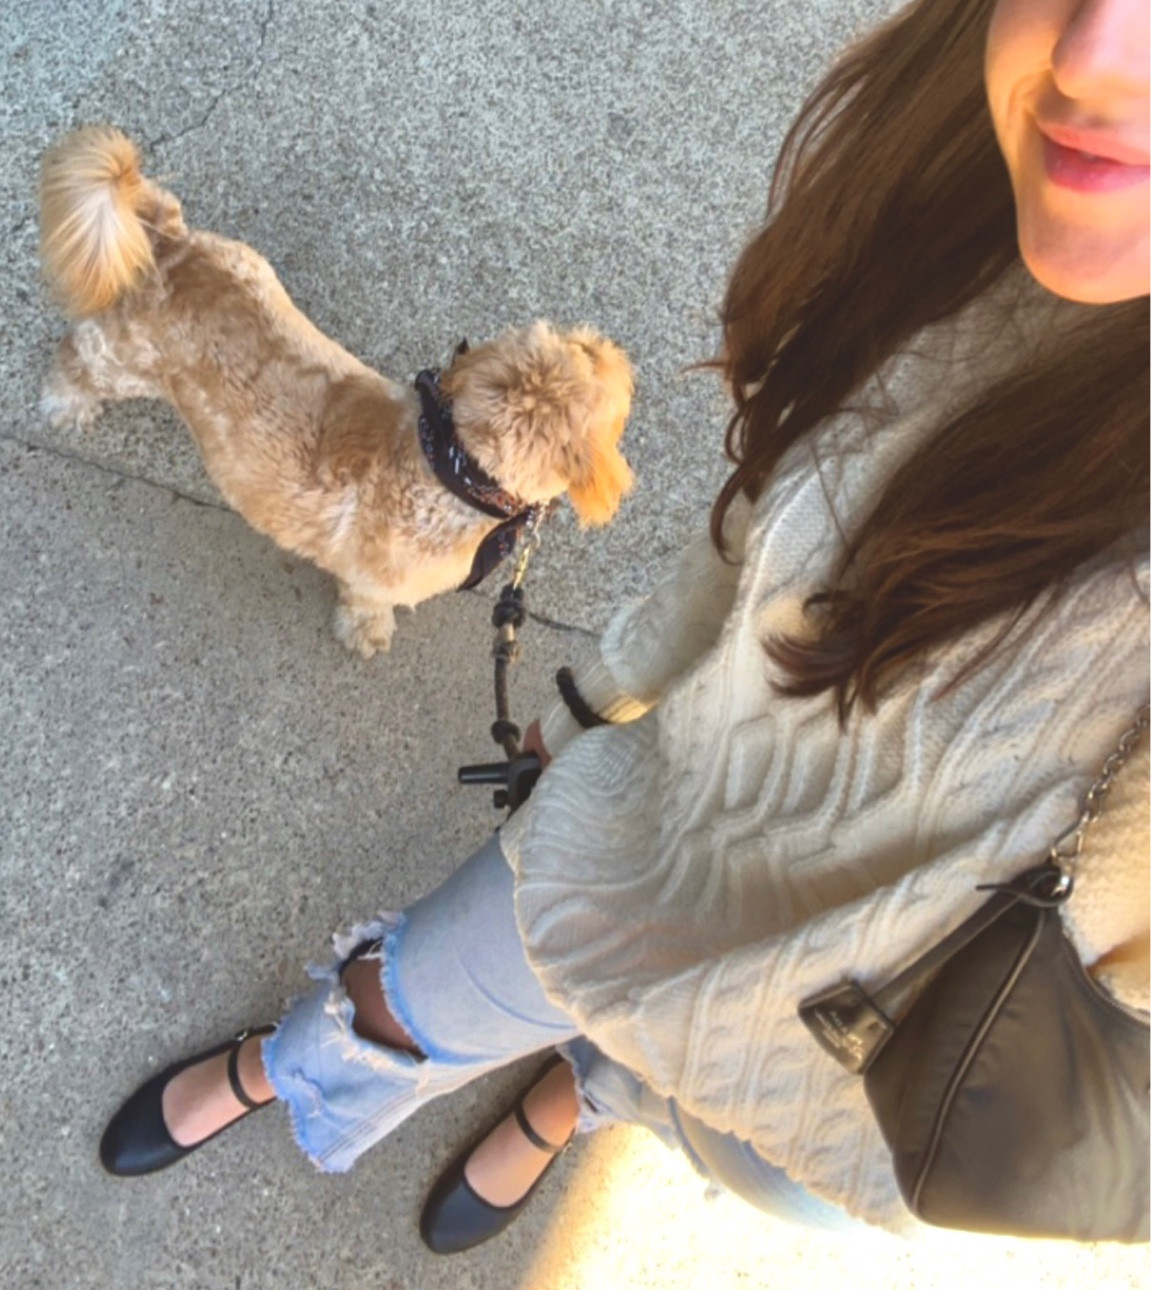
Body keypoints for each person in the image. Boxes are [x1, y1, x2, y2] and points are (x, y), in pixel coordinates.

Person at [99, 0, 1149, 1251]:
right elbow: (761, 531)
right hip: (658, 856)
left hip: (897, 1068)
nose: (1091, 51)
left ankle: (580, 1092)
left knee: (697, 1120)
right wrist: (597, 696)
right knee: (415, 990)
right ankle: (307, 1062)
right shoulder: (969, 217)